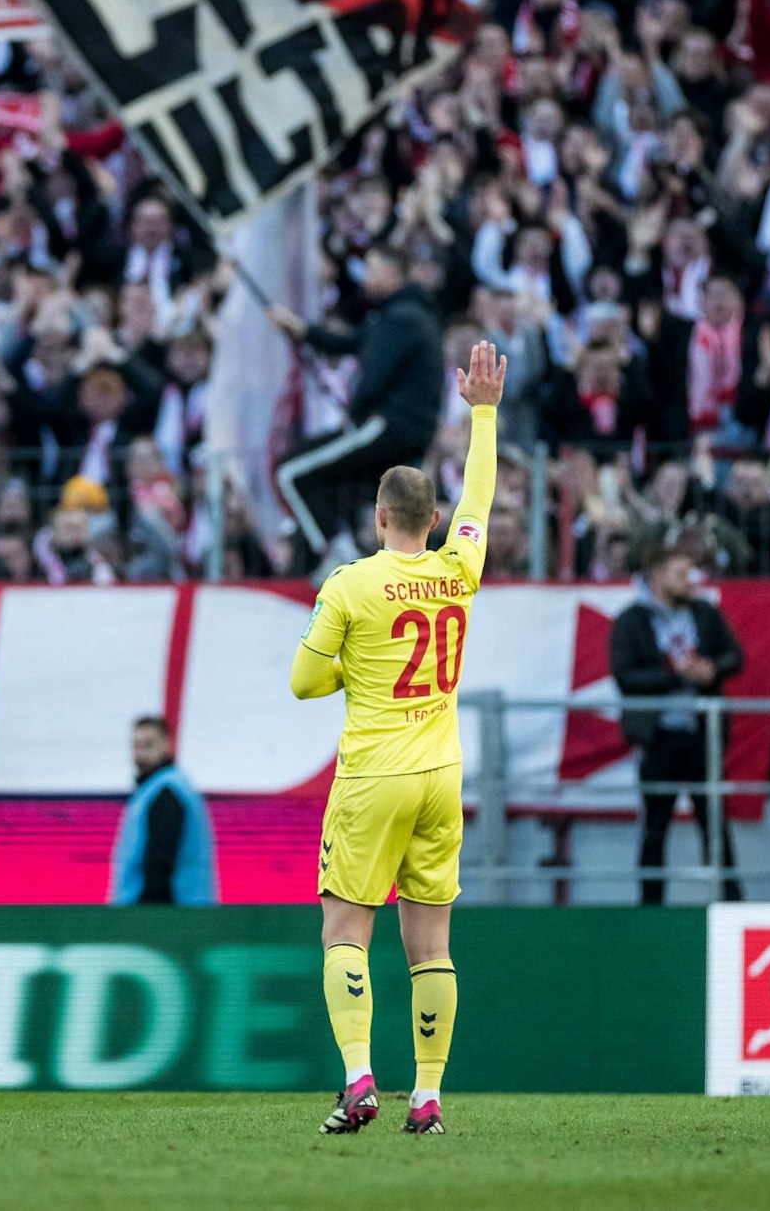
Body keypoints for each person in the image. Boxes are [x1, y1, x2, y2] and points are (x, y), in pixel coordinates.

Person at [287, 341, 506, 1137]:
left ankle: (358, 1082)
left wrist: (357, 667)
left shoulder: (350, 583)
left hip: (374, 772)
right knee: (432, 946)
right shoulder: (460, 570)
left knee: (344, 931)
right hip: (443, 774)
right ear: (436, 521)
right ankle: (429, 1097)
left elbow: (305, 684)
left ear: (381, 519)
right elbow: (481, 495)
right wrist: (484, 413)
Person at [269, 246, 443, 573]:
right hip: (406, 430)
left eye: (373, 269)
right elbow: (348, 343)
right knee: (326, 475)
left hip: (387, 425)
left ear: (393, 274)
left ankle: (337, 553)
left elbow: (372, 378)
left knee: (290, 471)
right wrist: (300, 329)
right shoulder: (407, 316)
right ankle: (342, 547)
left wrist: (356, 412)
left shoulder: (400, 319)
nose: (366, 277)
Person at [611, 543, 747, 905]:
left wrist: (711, 669)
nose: (691, 581)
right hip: (659, 739)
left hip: (703, 737)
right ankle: (650, 910)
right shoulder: (632, 621)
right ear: (656, 576)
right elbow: (626, 676)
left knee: (714, 823)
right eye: (681, 573)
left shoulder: (705, 612)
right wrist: (675, 674)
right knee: (655, 826)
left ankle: (732, 903)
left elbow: (735, 656)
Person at [108, 716, 217, 905]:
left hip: (170, 914)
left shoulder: (166, 792)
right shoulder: (160, 789)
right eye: (136, 746)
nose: (140, 754)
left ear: (167, 745)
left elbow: (160, 864)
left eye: (148, 745)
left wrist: (147, 917)